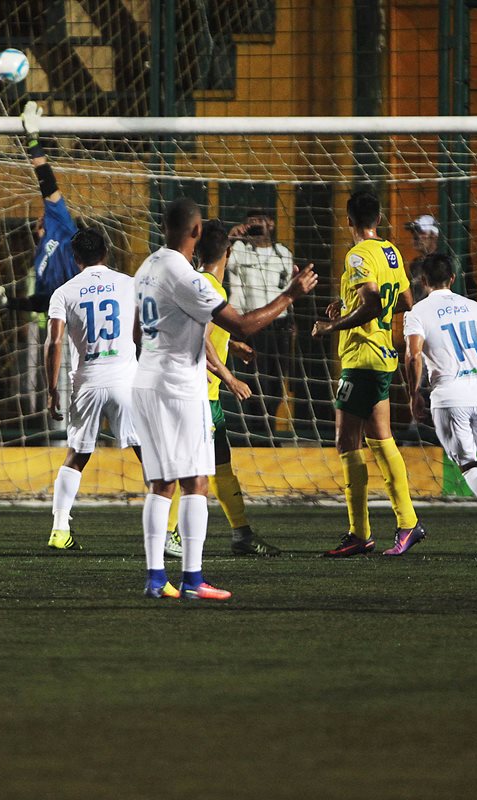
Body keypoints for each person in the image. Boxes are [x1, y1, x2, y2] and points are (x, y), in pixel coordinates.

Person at [133, 198, 316, 601]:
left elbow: (136, 332)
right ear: (194, 233)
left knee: (160, 483)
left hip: (146, 381)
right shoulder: (191, 278)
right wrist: (290, 294)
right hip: (181, 388)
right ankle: (193, 580)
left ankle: (154, 579)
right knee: (196, 481)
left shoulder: (148, 266)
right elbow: (245, 323)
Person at [312, 190, 423, 557]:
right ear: (378, 220)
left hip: (361, 358)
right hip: (384, 357)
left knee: (347, 443)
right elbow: (405, 303)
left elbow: (373, 304)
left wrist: (334, 326)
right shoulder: (390, 251)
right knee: (381, 439)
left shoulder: (358, 254)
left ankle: (360, 532)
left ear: (348, 221)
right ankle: (407, 522)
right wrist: (347, 305)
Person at [166, 220, 280, 557]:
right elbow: (199, 340)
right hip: (199, 395)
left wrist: (233, 346)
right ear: (228, 253)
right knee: (191, 470)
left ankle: (241, 533)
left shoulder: (198, 283)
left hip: (204, 394)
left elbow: (208, 333)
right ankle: (171, 535)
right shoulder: (210, 288)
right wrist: (230, 377)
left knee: (220, 465)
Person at [44, 228, 143, 551]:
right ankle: (169, 529)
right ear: (107, 252)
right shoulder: (129, 285)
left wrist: (51, 389)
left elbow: (54, 341)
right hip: (126, 381)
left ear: (75, 259)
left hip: (87, 382)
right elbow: (142, 332)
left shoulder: (64, 292)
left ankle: (60, 529)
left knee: (77, 456)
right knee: (150, 455)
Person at [403, 253, 477, 507]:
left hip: (450, 396)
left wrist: (414, 395)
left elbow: (413, 356)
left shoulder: (417, 312)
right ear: (452, 278)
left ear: (423, 280)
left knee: (468, 463)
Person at [0, 101, 78, 314]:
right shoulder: (39, 258)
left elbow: (47, 181)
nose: (40, 213)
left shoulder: (61, 225)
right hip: (66, 325)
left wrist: (33, 140)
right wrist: (10, 303)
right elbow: (42, 303)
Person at [225, 210, 295, 438]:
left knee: (276, 382)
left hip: (280, 325)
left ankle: (270, 427)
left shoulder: (282, 253)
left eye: (258, 221)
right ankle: (258, 432)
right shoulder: (240, 251)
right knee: (256, 380)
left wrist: (292, 321)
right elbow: (222, 261)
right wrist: (232, 237)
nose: (254, 226)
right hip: (252, 325)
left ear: (271, 224)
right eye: (250, 222)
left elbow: (288, 289)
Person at [405, 214, 441, 304]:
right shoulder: (415, 264)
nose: (415, 237)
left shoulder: (442, 263)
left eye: (420, 232)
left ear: (434, 235)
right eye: (413, 232)